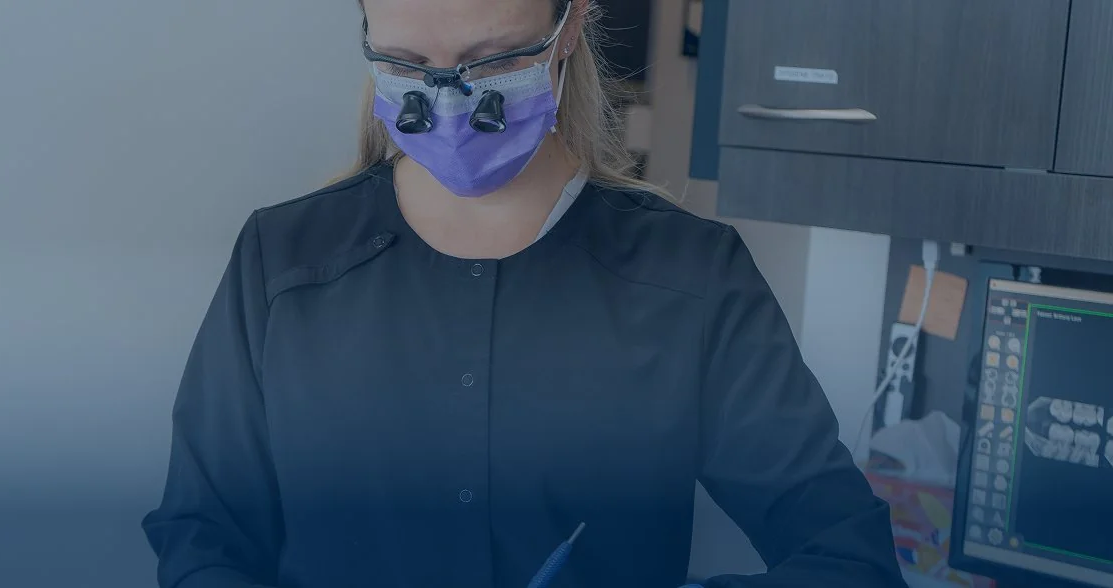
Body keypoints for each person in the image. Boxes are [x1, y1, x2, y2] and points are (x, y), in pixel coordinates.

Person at [143, 0, 906, 586]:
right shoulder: (281, 262)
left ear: (568, 25)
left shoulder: (693, 277)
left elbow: (848, 556)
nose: (447, 104)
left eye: (492, 58)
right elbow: (202, 535)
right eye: (407, 63)